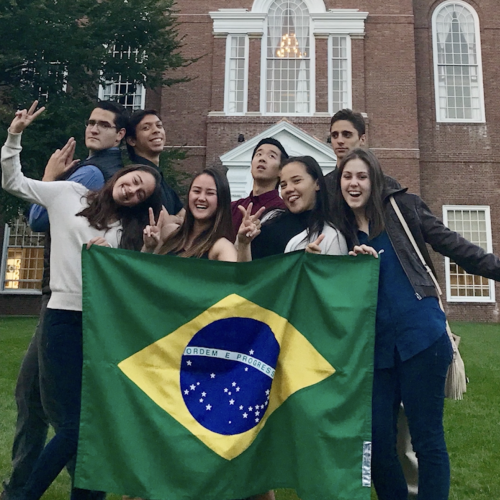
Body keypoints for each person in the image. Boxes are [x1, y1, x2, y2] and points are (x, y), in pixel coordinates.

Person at [1, 102, 162, 500]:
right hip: (62, 321)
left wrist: (149, 251)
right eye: (133, 180)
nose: (133, 189)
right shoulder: (69, 194)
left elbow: (135, 287)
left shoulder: (128, 231)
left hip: (101, 328)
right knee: (74, 426)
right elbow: (13, 182)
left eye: (141, 191)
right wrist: (14, 135)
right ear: (121, 177)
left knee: (94, 427)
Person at [332, 147, 500, 500]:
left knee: (427, 440)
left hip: (421, 336)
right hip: (376, 349)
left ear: (374, 180)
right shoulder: (339, 229)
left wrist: (495, 268)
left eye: (362, 176)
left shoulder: (403, 209)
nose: (354, 183)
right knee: (377, 444)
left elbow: (453, 245)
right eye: (348, 176)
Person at [325, 108, 418, 497]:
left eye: (348, 134)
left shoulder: (390, 193)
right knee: (375, 430)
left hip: (405, 323)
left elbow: (423, 249)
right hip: (360, 331)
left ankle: (412, 489)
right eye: (334, 135)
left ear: (362, 139)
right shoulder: (327, 192)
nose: (341, 140)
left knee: (411, 432)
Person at [237, 155, 347, 261]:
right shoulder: (269, 218)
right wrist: (243, 243)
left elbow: (334, 278)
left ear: (317, 184)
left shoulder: (331, 236)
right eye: (283, 185)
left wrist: (312, 266)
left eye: (296, 181)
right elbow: (245, 276)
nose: (288, 189)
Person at [144, 167, 237, 262]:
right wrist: (148, 248)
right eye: (196, 191)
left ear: (222, 200)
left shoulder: (222, 247)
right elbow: (144, 271)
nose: (201, 198)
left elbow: (235, 276)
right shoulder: (169, 233)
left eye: (210, 193)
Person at [126, 109, 185, 220]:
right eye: (146, 128)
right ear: (132, 140)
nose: (156, 131)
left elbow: (183, 215)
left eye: (159, 126)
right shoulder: (138, 180)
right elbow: (164, 222)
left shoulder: (160, 178)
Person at [231, 138, 288, 239]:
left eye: (271, 156)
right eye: (259, 154)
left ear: (281, 171)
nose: (262, 159)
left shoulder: (284, 212)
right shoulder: (233, 208)